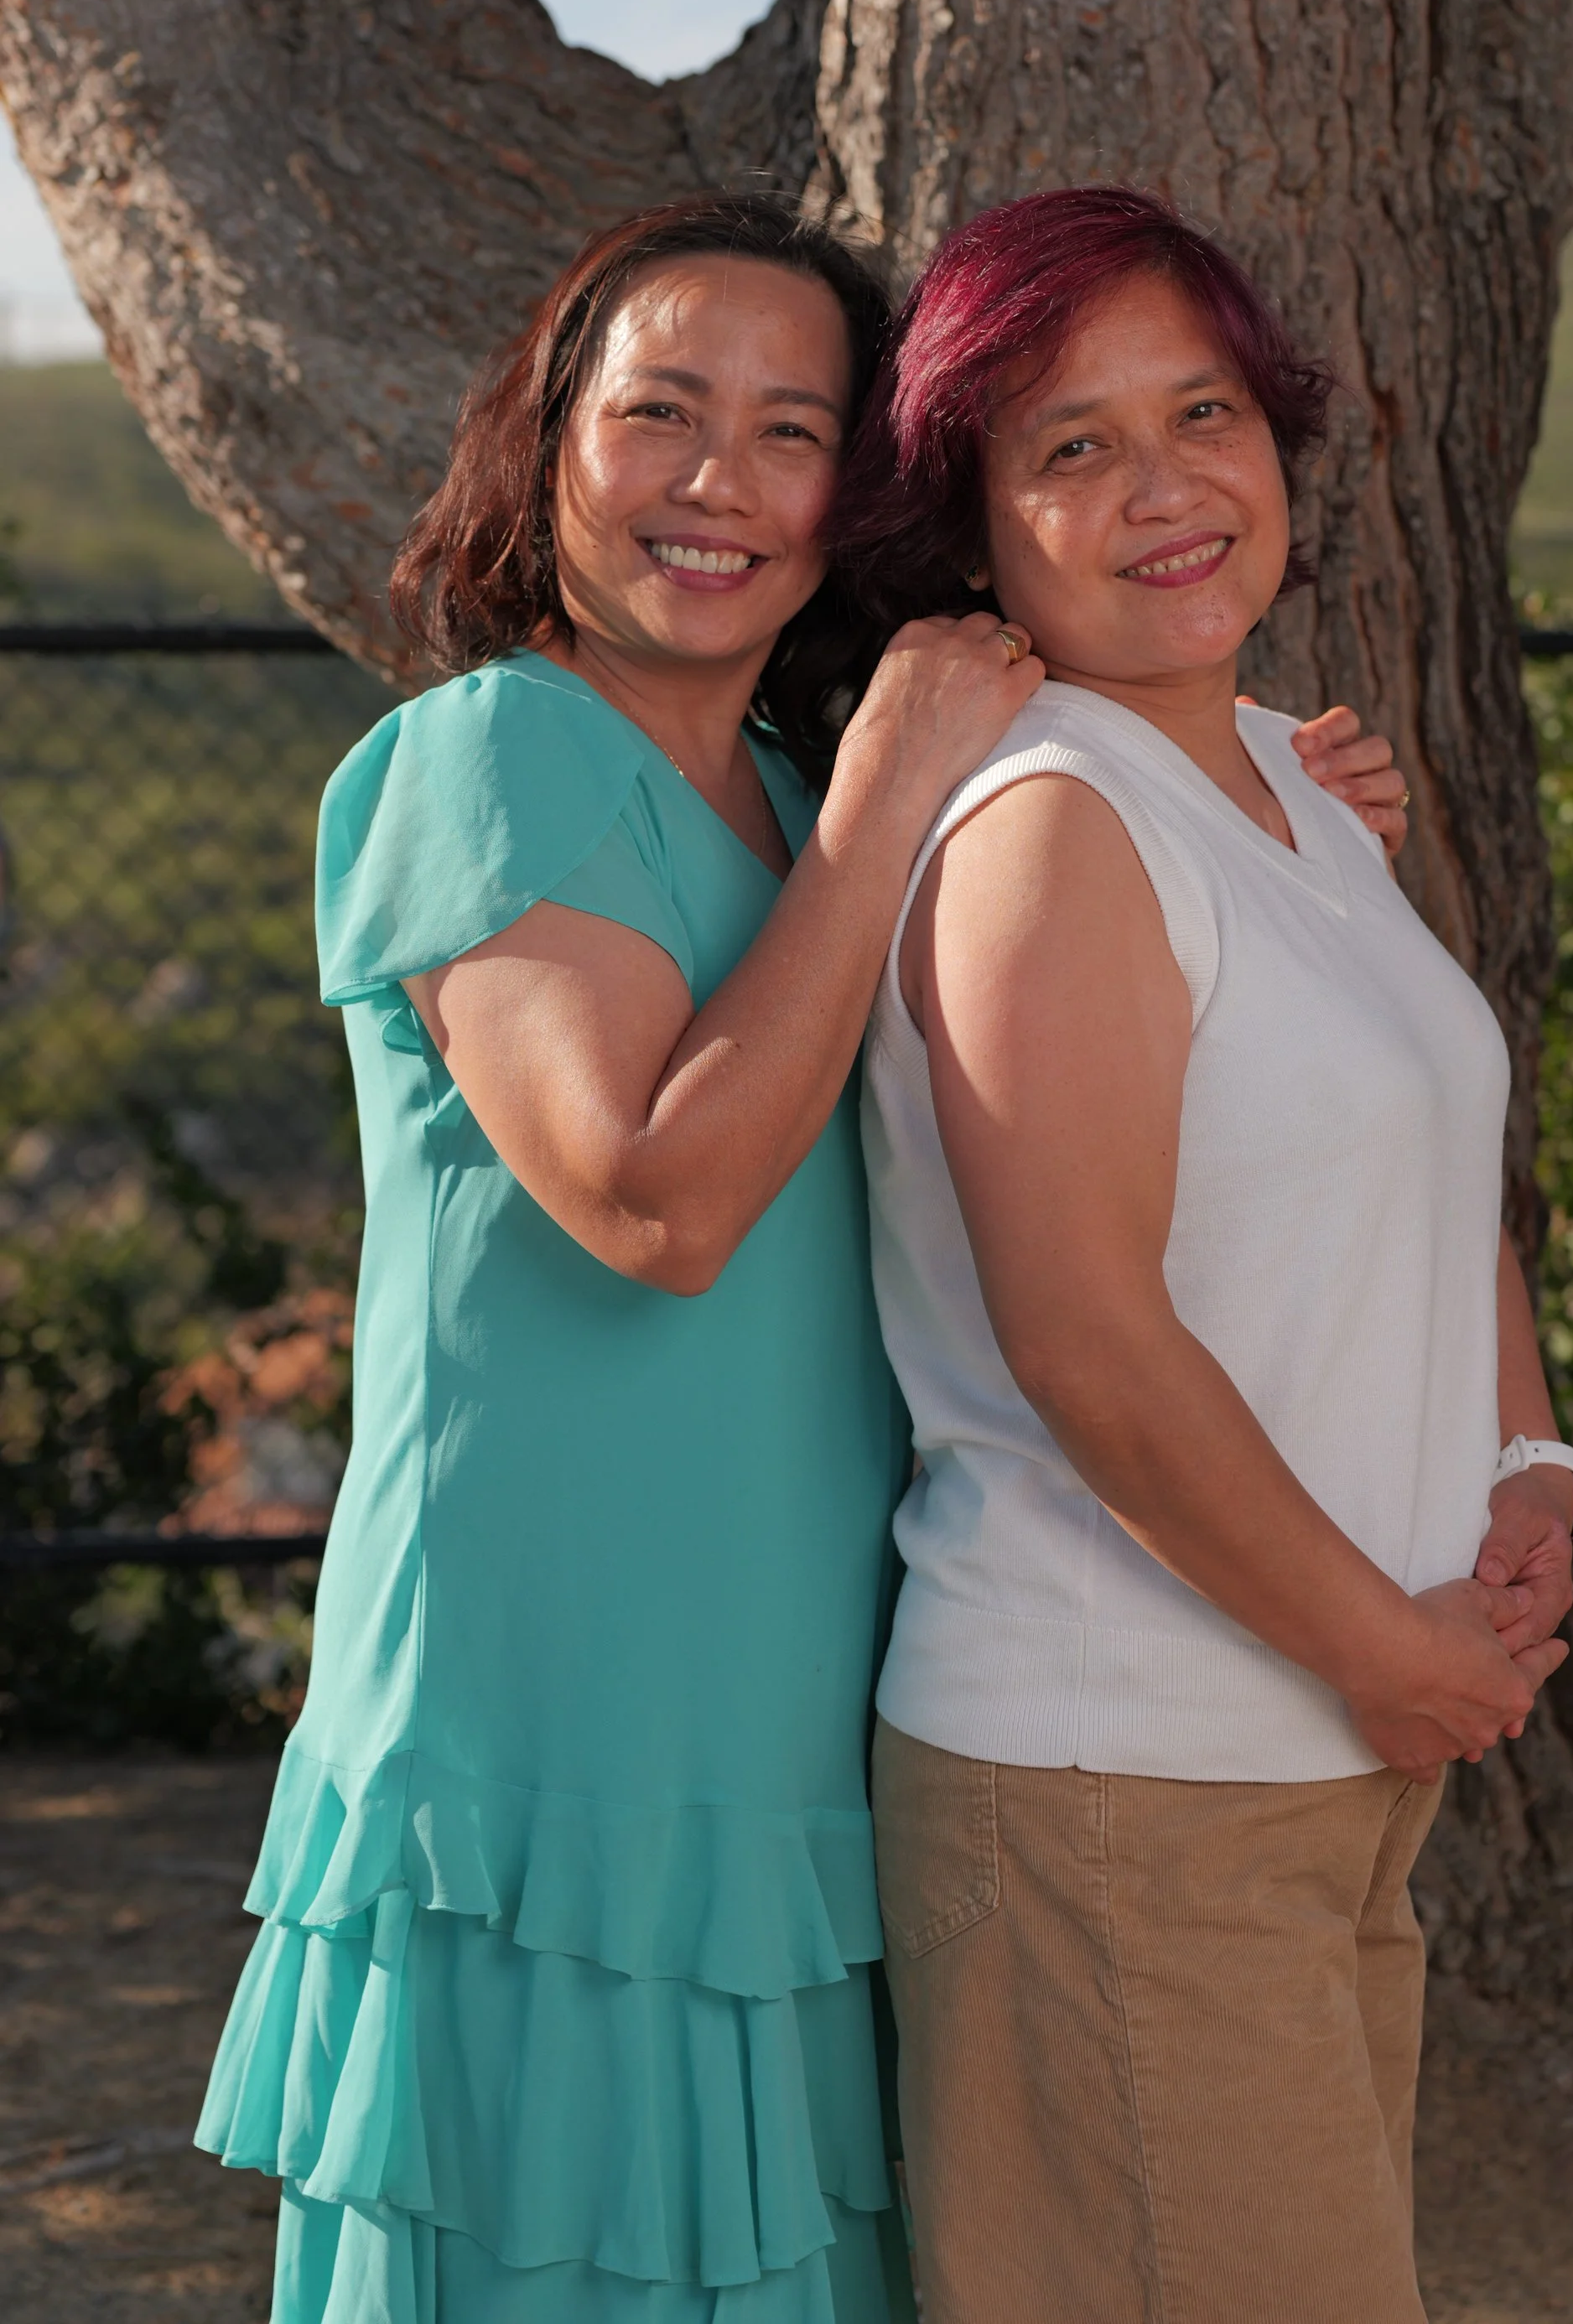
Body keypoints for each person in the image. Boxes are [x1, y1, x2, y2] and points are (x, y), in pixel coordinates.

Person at [195, 189, 1411, 2324]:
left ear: (854, 491)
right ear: (545, 439)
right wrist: (886, 796)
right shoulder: (488, 754)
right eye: (661, 413)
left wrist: (1289, 816)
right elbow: (655, 1200)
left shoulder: (796, 783)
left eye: (790, 431)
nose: (717, 483)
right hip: (549, 1732)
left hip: (798, 1717)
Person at [831, 186, 1573, 2324]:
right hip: (1127, 1771)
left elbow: (1427, 1170)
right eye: (1071, 447)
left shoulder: (1279, 770)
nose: (1167, 488)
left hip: (1321, 1760)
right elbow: (1086, 1341)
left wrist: (1527, 1467)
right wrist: (1377, 1640)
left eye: (1206, 414)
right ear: (972, 525)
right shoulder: (1051, 823)